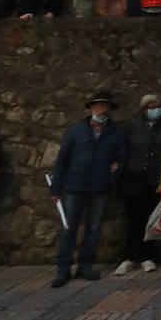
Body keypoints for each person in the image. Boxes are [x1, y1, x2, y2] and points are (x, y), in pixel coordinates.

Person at [50, 91, 127, 287]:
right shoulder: (76, 131)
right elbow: (62, 160)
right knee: (69, 228)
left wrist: (113, 175)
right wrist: (55, 189)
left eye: (106, 105)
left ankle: (85, 265)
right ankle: (63, 269)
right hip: (74, 187)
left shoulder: (116, 132)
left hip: (100, 188)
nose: (102, 109)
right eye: (99, 105)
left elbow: (122, 158)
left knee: (93, 229)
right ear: (91, 108)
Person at [114, 93, 161, 276]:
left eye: (157, 105)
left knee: (150, 219)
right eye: (150, 106)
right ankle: (128, 257)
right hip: (134, 177)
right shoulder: (132, 126)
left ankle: (147, 256)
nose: (154, 109)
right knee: (133, 219)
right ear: (144, 109)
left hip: (156, 178)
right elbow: (123, 149)